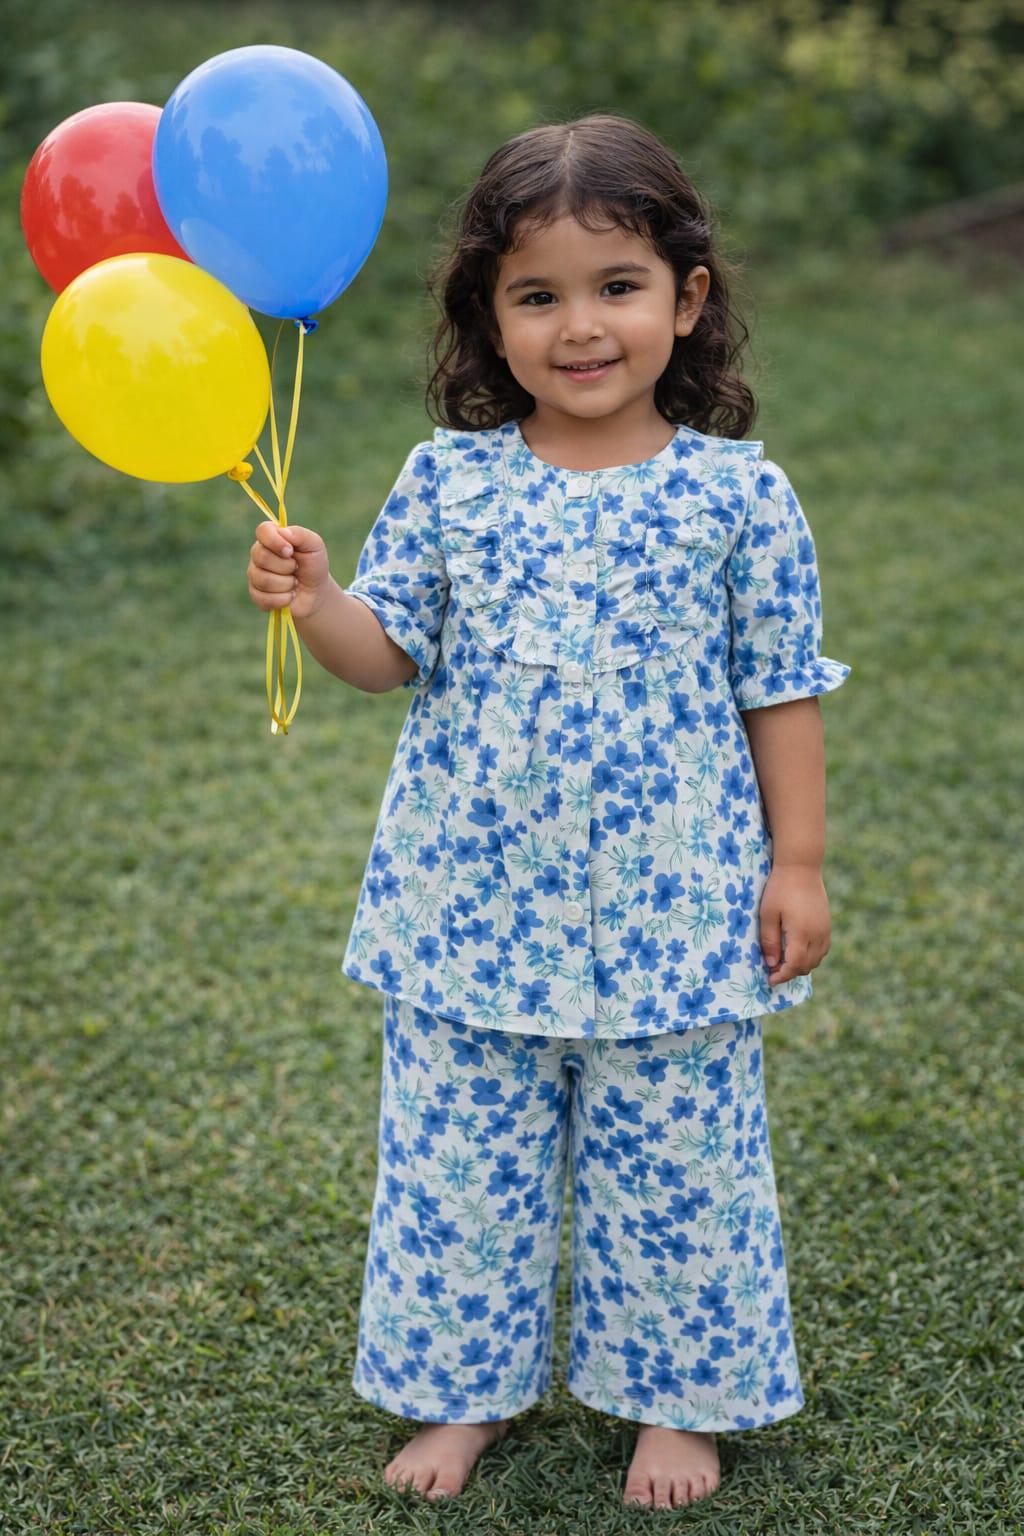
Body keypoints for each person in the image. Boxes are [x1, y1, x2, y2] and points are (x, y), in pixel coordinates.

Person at [246, 113, 851, 1511]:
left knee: (682, 1173)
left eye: (616, 286)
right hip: (469, 916)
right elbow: (387, 656)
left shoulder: (739, 498)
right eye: (537, 295)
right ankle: (462, 1394)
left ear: (686, 299)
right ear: (490, 317)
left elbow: (780, 691)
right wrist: (319, 599)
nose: (580, 326)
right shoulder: (447, 482)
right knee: (457, 1175)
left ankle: (679, 1405)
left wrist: (801, 865)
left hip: (676, 917)